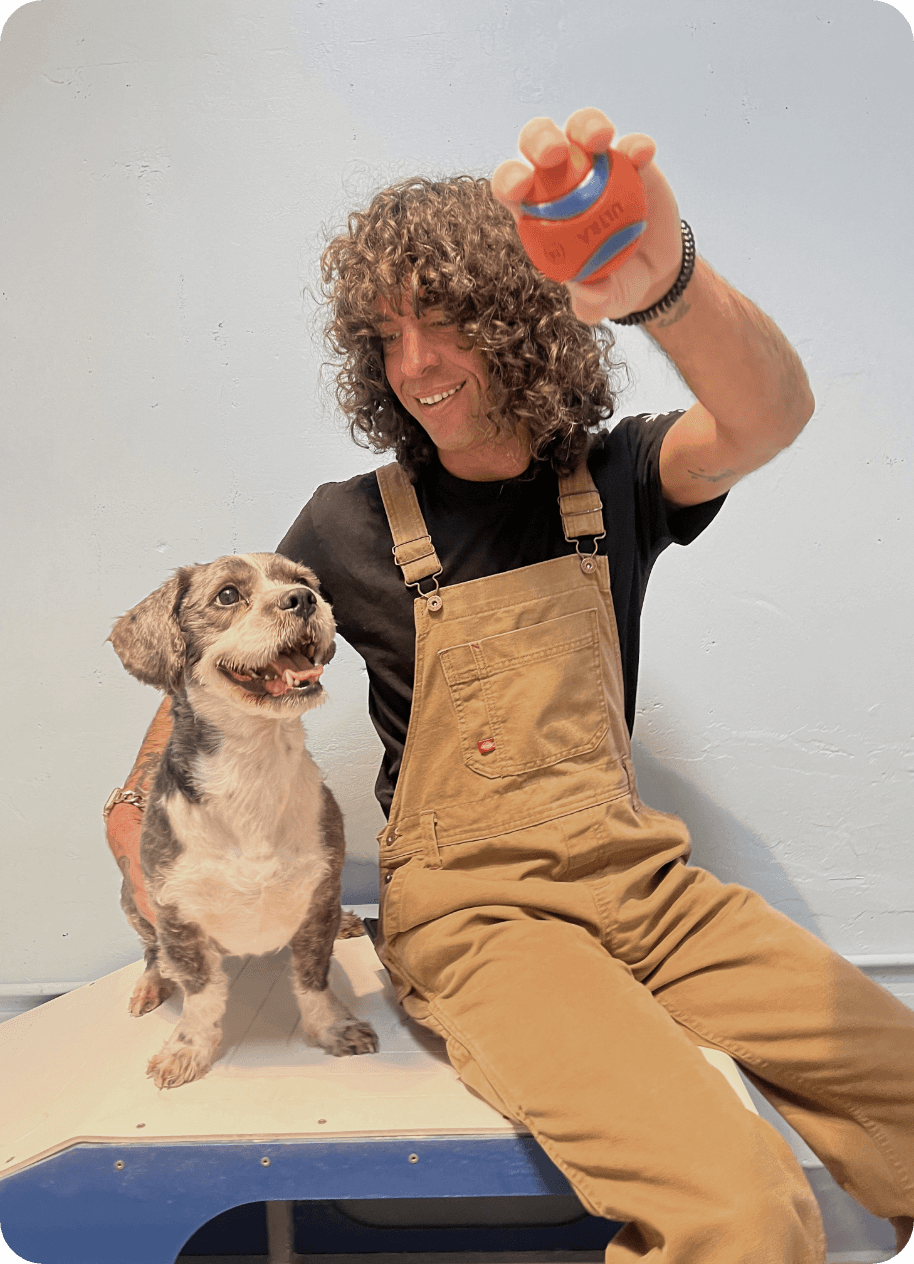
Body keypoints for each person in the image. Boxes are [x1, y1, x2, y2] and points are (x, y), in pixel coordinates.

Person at [108, 110, 914, 1263]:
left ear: (521, 319)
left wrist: (665, 283)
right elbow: (207, 668)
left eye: (442, 324)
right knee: (741, 1212)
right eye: (386, 334)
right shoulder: (347, 524)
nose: (414, 364)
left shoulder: (620, 476)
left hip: (646, 886)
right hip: (481, 917)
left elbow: (767, 415)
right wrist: (138, 797)